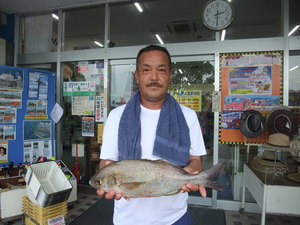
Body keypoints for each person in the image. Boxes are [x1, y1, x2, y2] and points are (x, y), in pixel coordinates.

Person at [97, 45, 207, 225]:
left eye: (161, 70)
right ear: (137, 76)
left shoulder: (187, 116)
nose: (154, 77)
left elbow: (195, 159)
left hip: (175, 217)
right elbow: (106, 161)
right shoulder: (117, 116)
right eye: (146, 70)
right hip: (127, 219)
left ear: (169, 75)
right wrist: (106, 170)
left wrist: (191, 173)